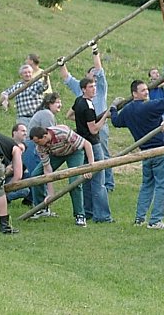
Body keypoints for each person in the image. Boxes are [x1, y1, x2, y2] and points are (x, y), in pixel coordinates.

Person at [110, 76, 164, 229]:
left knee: (147, 186)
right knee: (162, 186)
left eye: (147, 90)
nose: (146, 92)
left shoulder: (127, 111)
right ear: (134, 93)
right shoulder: (148, 107)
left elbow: (116, 121)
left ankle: (139, 218)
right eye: (142, 91)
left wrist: (114, 108)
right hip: (160, 151)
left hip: (145, 153)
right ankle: (155, 221)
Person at [59, 41, 114, 192]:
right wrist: (61, 64)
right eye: (92, 75)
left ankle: (108, 184)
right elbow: (66, 77)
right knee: (88, 157)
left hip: (99, 126)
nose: (94, 78)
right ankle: (89, 183)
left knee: (103, 155)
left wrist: (95, 51)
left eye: (96, 77)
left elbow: (99, 69)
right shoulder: (80, 87)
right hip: (85, 129)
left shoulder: (100, 87)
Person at [67, 76, 113, 223]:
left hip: (81, 144)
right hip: (93, 144)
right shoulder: (89, 106)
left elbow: (69, 115)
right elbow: (94, 130)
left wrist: (82, 123)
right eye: (90, 87)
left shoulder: (78, 101)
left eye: (94, 86)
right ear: (83, 89)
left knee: (86, 179)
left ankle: (88, 211)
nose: (94, 89)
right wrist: (105, 116)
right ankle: (102, 216)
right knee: (99, 180)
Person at [29, 125, 95, 227]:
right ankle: (42, 208)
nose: (36, 144)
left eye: (37, 141)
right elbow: (47, 169)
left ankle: (80, 215)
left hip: (74, 152)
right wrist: (51, 193)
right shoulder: (40, 147)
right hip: (56, 155)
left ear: (45, 136)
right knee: (36, 176)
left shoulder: (63, 133)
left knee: (74, 182)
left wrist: (90, 167)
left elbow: (87, 144)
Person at [5, 123, 31, 205]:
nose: (25, 133)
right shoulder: (6, 144)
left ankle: (29, 201)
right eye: (23, 131)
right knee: (24, 191)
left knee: (34, 175)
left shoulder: (26, 146)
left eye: (26, 131)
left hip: (20, 174)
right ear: (14, 132)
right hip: (7, 176)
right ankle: (5, 197)